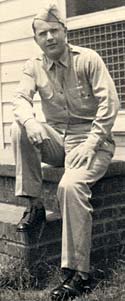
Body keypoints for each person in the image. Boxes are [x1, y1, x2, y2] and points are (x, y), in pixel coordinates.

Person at [11, 3, 119, 300]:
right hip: (58, 140)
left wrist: (92, 142)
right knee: (19, 126)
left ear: (65, 31)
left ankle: (77, 274)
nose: (49, 37)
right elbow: (20, 99)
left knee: (70, 186)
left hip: (92, 141)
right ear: (36, 39)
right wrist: (32, 121)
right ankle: (34, 206)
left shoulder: (88, 59)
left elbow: (110, 105)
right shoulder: (33, 66)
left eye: (54, 30)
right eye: (42, 33)